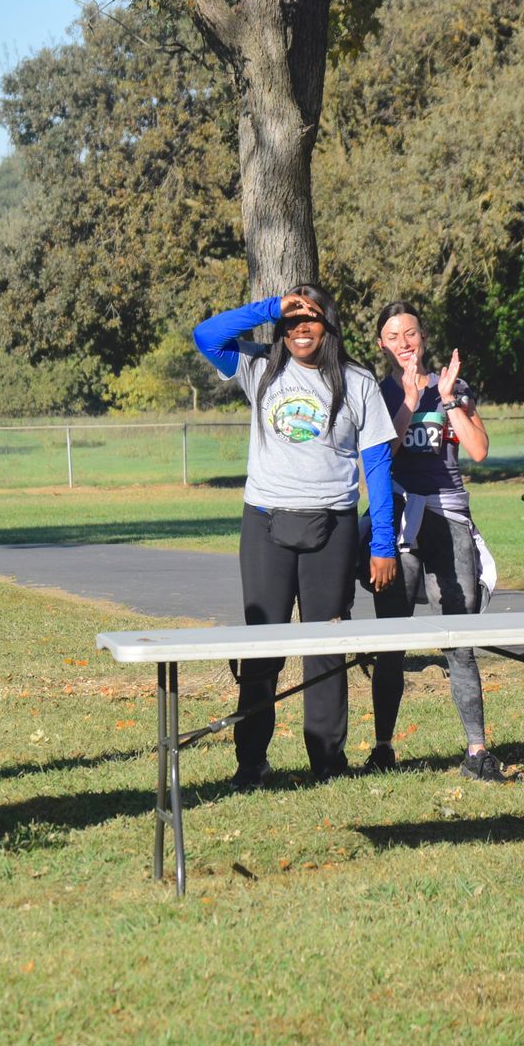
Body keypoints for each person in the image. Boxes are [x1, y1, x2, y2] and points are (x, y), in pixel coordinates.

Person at [193, 285, 398, 787]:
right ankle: (251, 761)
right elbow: (206, 335)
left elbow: (377, 464)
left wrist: (383, 543)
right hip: (264, 523)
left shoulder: (358, 382)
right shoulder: (261, 366)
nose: (300, 328)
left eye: (311, 318)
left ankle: (327, 760)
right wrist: (272, 308)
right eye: (292, 321)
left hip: (333, 526)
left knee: (327, 644)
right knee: (263, 644)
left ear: (330, 325)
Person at [366, 302, 502, 780]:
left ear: (422, 337)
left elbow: (480, 451)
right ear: (382, 345)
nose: (404, 342)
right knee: (391, 642)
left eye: (411, 333)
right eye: (393, 335)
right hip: (400, 521)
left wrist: (444, 399)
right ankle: (383, 746)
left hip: (449, 517)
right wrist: (405, 401)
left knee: (459, 639)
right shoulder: (378, 392)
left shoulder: (454, 386)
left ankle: (477, 750)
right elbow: (384, 453)